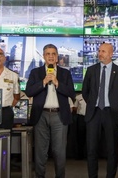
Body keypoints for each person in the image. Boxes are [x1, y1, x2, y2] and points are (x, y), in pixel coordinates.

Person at [25, 44, 75, 178]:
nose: (51, 56)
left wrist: (57, 83)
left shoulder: (65, 73)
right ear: (44, 56)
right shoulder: (36, 73)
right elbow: (29, 91)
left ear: (57, 57)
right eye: (48, 54)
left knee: (59, 152)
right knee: (40, 152)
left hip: (60, 115)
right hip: (41, 115)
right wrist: (43, 82)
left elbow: (71, 93)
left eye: (53, 54)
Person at [82, 42, 118, 178]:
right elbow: (85, 92)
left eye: (103, 51)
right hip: (94, 113)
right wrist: (92, 104)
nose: (100, 54)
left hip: (111, 113)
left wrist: (115, 105)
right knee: (91, 150)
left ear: (110, 54)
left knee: (112, 150)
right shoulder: (91, 70)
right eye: (99, 51)